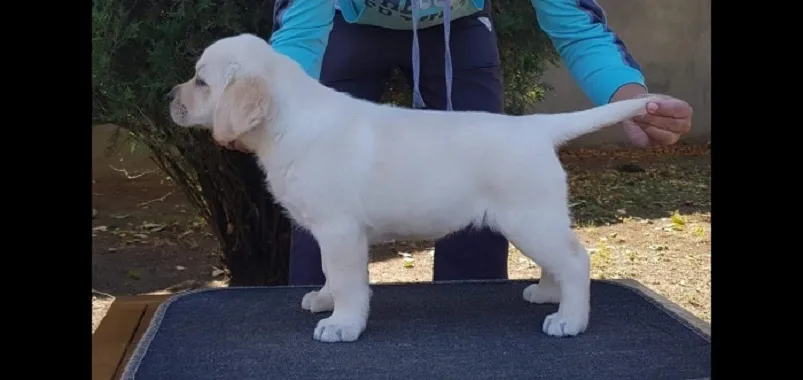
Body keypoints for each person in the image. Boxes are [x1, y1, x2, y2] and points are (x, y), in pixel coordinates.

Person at [233, 0, 693, 285]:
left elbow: (576, 23)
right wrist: (268, 105)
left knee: (491, 170)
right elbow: (299, 31)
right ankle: (315, 325)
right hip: (345, 24)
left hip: (459, 26)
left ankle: (478, 328)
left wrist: (630, 100)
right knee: (320, 181)